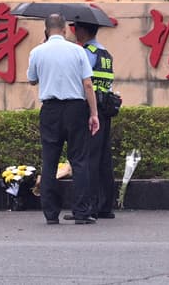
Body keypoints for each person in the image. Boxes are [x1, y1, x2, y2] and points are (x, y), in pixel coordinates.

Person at [27, 14, 99, 225]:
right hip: (76, 108)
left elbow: (32, 79)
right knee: (79, 161)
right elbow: (87, 84)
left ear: (47, 30)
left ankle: (50, 214)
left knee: (49, 161)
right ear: (66, 29)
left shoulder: (37, 52)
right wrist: (93, 113)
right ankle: (81, 212)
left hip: (50, 110)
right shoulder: (77, 51)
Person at [73, 21, 116, 220]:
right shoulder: (105, 53)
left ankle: (88, 206)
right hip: (106, 108)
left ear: (83, 30)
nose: (74, 32)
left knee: (88, 158)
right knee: (103, 160)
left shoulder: (86, 52)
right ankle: (105, 205)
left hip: (92, 110)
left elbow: (85, 82)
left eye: (76, 28)